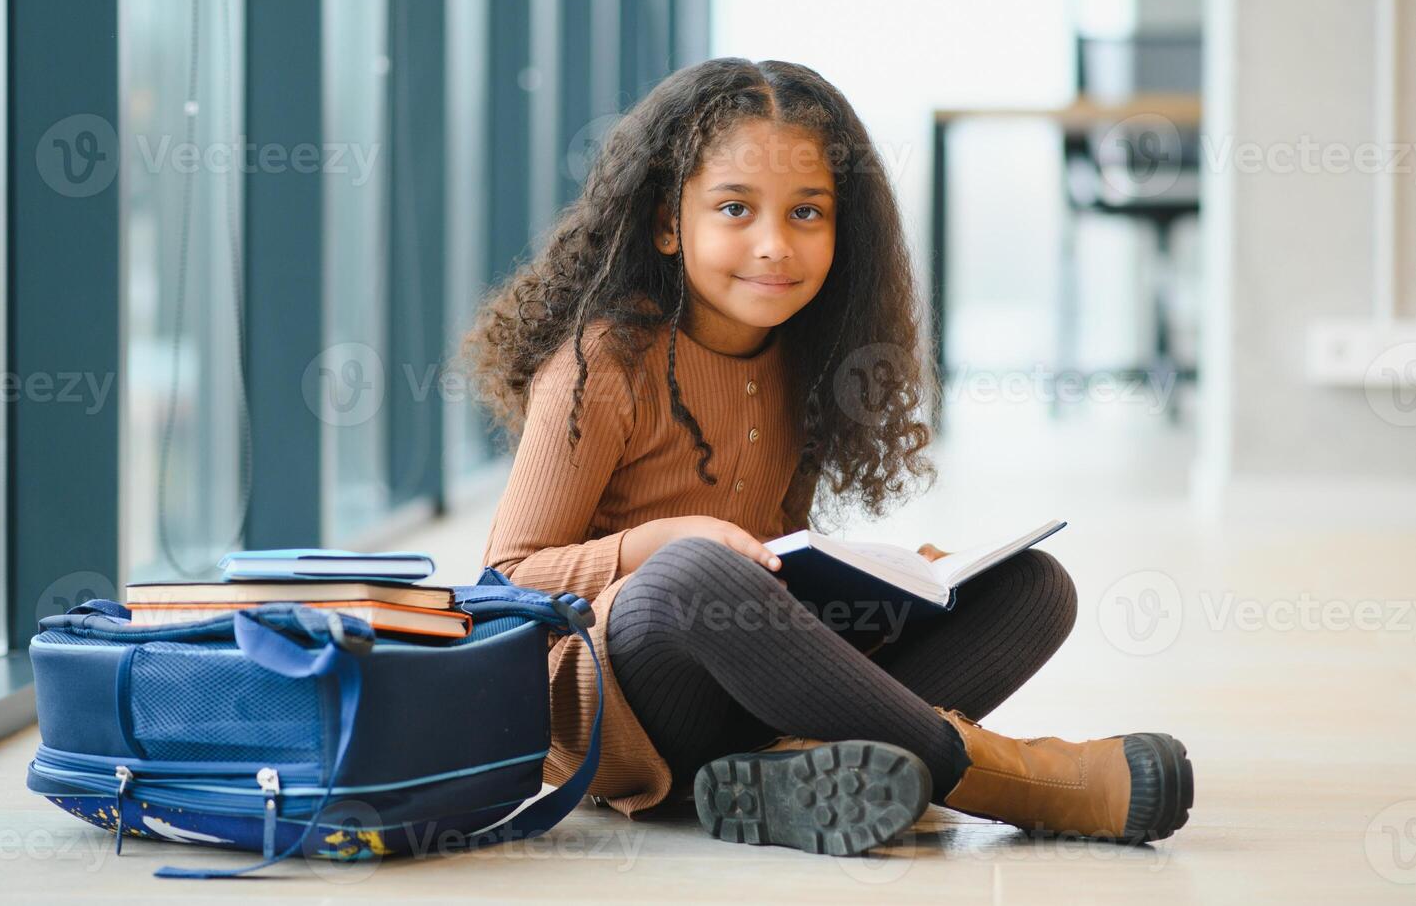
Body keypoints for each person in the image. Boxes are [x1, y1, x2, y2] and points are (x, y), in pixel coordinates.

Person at [465, 57, 1192, 857]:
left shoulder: (801, 363)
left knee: (1030, 588)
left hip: (748, 692)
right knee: (690, 576)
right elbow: (503, 585)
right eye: (735, 209)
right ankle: (1004, 778)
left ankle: (787, 774)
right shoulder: (604, 361)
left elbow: (774, 560)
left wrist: (898, 586)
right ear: (667, 223)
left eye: (806, 213)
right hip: (615, 708)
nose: (774, 245)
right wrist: (655, 544)